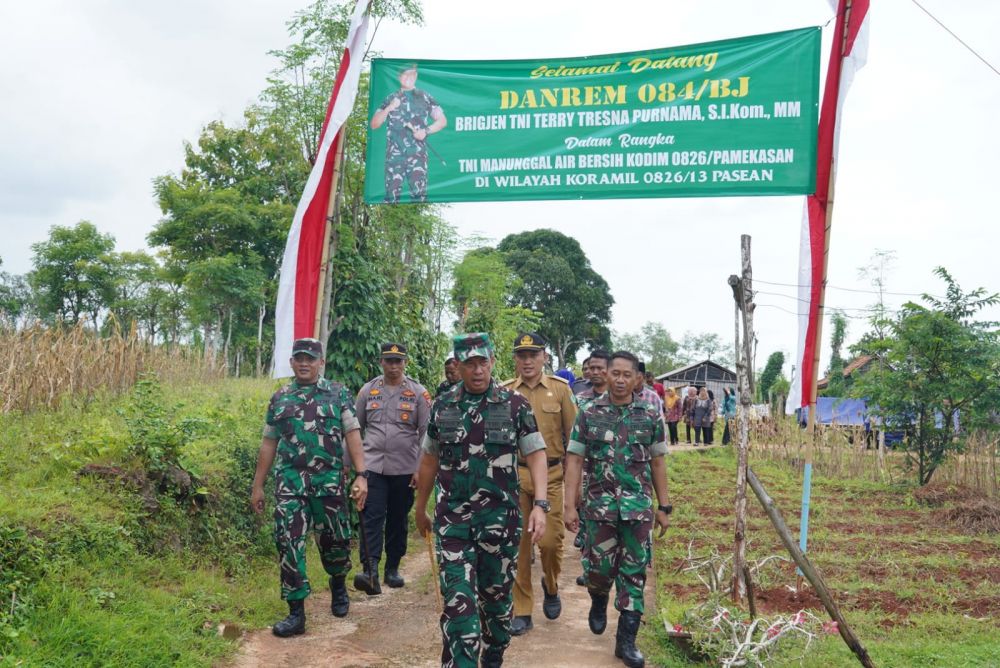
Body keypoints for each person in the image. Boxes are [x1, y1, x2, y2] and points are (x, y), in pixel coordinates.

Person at [414, 333, 550, 668]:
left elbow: (536, 454)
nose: (477, 370)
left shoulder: (514, 404)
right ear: (457, 366)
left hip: (499, 525)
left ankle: (495, 649)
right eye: (469, 363)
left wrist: (540, 505)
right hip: (453, 523)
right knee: (460, 609)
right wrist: (420, 508)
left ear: (492, 362)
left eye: (483, 362)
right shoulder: (442, 406)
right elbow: (430, 461)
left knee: (496, 605)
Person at [251, 338, 368, 637]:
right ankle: (296, 612)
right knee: (288, 543)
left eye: (310, 358)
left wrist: (361, 475)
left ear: (321, 362)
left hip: (328, 484)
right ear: (291, 362)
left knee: (335, 543)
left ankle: (338, 584)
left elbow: (352, 433)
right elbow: (268, 443)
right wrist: (258, 486)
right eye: (299, 358)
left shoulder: (338, 393)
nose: (305, 363)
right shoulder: (280, 398)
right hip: (290, 485)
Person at [564, 351, 672, 668]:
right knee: (597, 572)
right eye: (616, 373)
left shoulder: (650, 415)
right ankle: (598, 598)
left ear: (637, 378)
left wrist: (664, 506)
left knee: (635, 572)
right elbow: (574, 460)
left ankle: (626, 641)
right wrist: (570, 506)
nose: (621, 380)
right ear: (607, 375)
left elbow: (658, 462)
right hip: (599, 509)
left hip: (638, 510)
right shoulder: (588, 412)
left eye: (628, 374)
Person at [502, 332, 577, 636]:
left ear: (545, 357)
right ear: (515, 360)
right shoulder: (505, 392)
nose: (528, 360)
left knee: (549, 543)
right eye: (522, 355)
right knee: (519, 544)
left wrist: (577, 488)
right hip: (516, 477)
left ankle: (551, 583)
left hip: (555, 476)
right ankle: (522, 608)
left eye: (533, 354)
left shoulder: (560, 391)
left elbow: (575, 441)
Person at [354, 343, 431, 590]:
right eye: (389, 361)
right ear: (381, 362)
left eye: (398, 361)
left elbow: (425, 434)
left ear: (405, 363)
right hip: (372, 466)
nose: (394, 366)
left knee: (398, 519)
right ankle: (370, 570)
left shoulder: (418, 393)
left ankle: (393, 567)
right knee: (371, 517)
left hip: (405, 468)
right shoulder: (368, 391)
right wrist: (353, 469)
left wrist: (420, 469)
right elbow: (355, 430)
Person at [370, 64, 447, 203]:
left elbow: (442, 121)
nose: (409, 78)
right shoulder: (391, 98)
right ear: (399, 77)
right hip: (394, 157)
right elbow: (374, 124)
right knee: (391, 200)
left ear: (416, 76)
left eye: (412, 74)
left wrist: (426, 131)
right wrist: (389, 108)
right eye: (406, 75)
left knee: (419, 199)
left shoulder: (424, 96)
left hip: (417, 156)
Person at [572, 349, 611, 578]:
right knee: (588, 519)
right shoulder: (580, 399)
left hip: (611, 468)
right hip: (585, 467)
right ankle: (589, 569)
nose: (594, 372)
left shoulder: (619, 398)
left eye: (599, 368)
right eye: (591, 368)